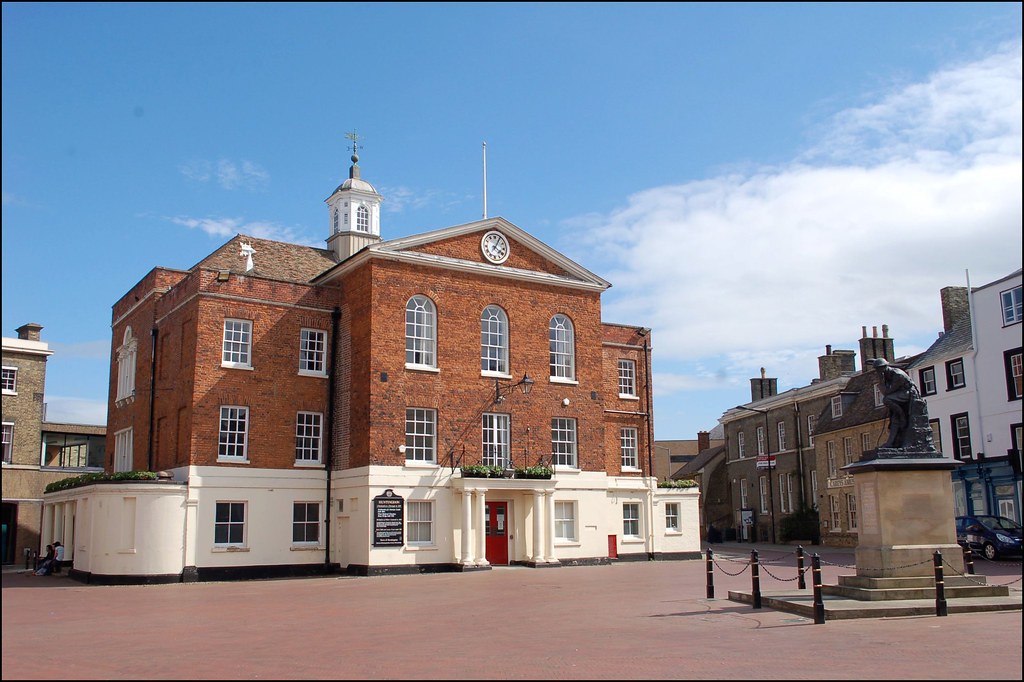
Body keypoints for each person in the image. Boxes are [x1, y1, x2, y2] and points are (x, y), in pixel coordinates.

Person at [869, 358, 921, 449]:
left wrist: (881, 380)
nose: (877, 371)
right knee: (894, 419)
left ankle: (902, 416)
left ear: (884, 367)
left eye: (878, 369)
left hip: (908, 393)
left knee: (887, 399)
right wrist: (881, 379)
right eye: (876, 369)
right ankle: (890, 442)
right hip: (899, 395)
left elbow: (887, 392)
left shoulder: (897, 375)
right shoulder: (886, 374)